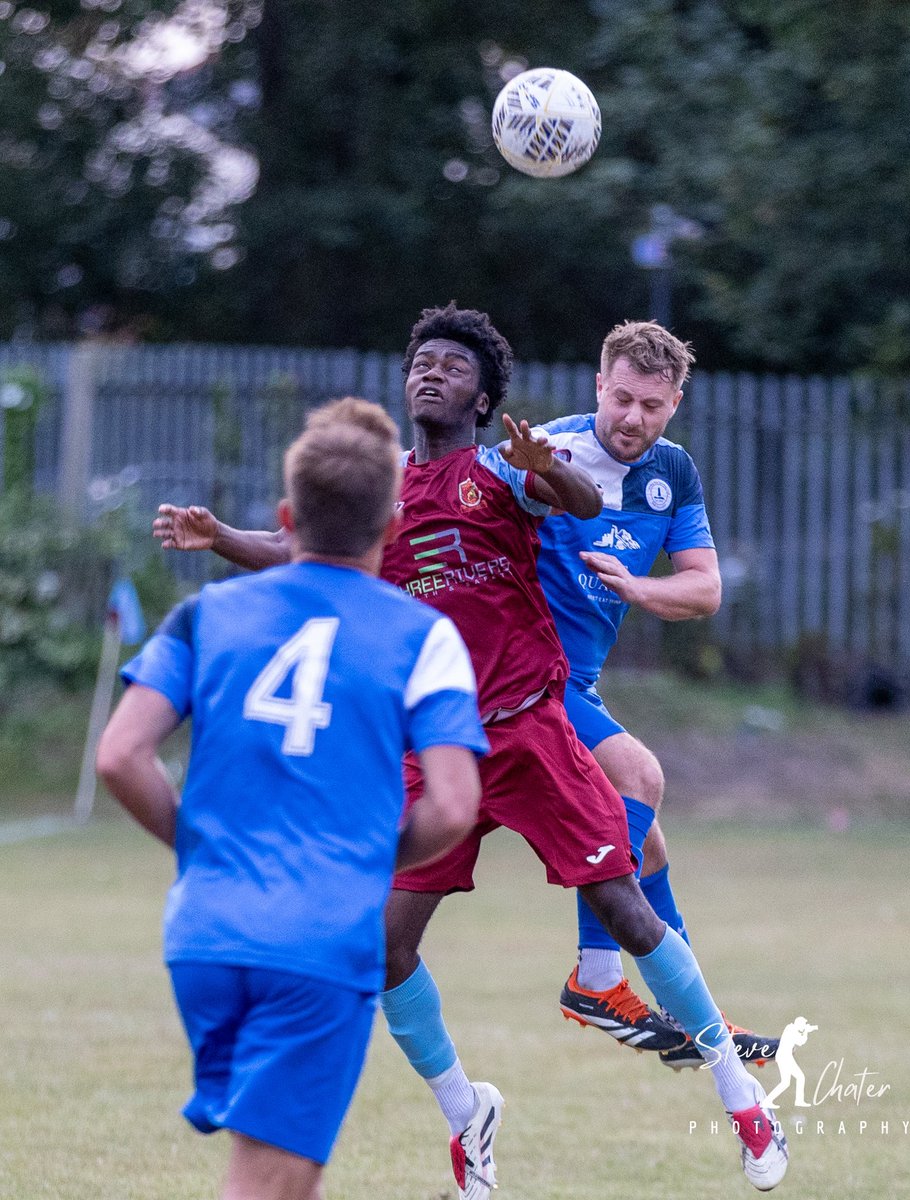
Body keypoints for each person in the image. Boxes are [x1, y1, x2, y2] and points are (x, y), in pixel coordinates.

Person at [153, 303, 789, 1196]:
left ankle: (740, 1094)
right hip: (438, 748)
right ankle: (467, 1111)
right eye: (423, 361)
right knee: (380, 951)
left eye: (454, 365)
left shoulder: (501, 470)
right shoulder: (382, 495)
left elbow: (569, 496)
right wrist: (216, 536)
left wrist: (548, 471)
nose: (432, 372)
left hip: (533, 729)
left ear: (484, 397)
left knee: (628, 907)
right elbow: (297, 553)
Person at [97, 397, 487, 1200]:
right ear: (391, 525)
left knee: (286, 1176)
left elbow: (120, 755)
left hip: (204, 936)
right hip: (316, 943)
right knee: (267, 1182)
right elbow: (452, 806)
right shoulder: (423, 636)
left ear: (285, 517)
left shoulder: (205, 615)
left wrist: (203, 843)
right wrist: (363, 857)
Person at [528, 321, 780, 1070]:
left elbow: (704, 589)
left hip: (577, 684)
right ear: (599, 385)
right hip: (525, 677)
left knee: (648, 841)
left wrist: (639, 585)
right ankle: (598, 978)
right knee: (638, 778)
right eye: (623, 398)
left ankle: (693, 1020)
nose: (634, 418)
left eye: (653, 405)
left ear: (675, 403)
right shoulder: (547, 450)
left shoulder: (674, 471)